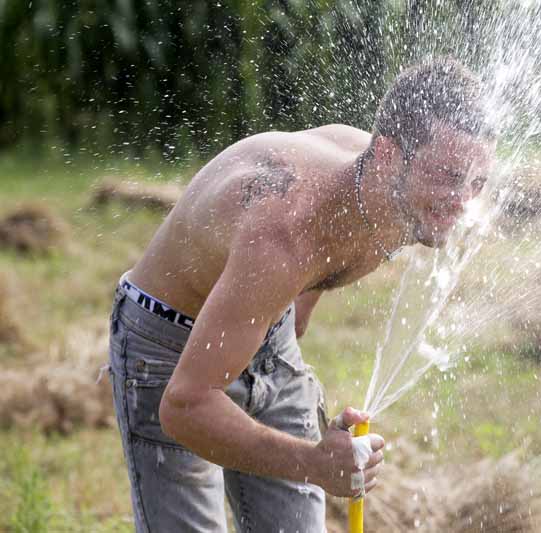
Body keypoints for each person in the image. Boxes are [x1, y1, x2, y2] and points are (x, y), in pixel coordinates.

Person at [107, 56, 496, 532]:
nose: (463, 203)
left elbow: (314, 269)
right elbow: (183, 405)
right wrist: (314, 464)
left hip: (263, 329)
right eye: (450, 177)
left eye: (477, 182)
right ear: (391, 155)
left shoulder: (392, 193)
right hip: (167, 345)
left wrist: (285, 333)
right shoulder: (283, 233)